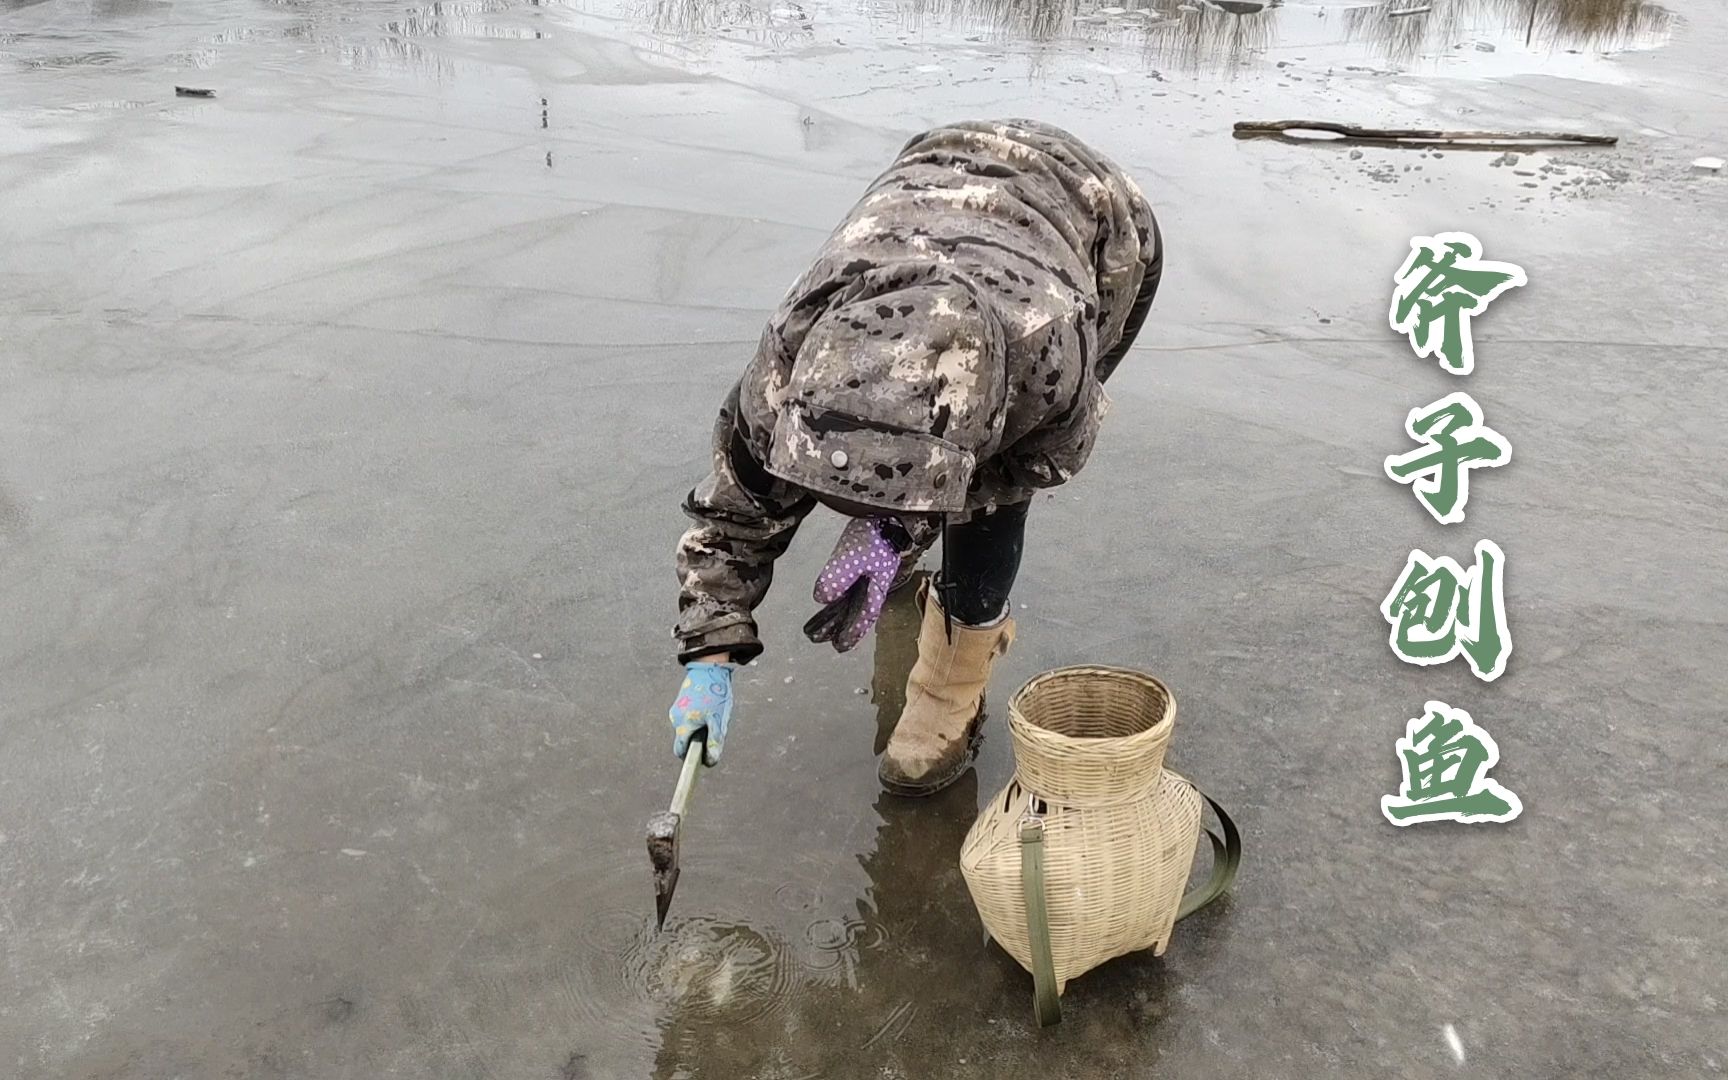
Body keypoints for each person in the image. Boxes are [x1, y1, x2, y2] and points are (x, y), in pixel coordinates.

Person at [669, 119, 1162, 796]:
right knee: (869, 496)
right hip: (934, 167)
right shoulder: (791, 354)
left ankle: (952, 680)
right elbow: (736, 509)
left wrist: (899, 528)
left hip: (1097, 219)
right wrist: (711, 652)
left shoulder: (1048, 363)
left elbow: (1032, 468)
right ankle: (891, 552)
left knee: (988, 505)